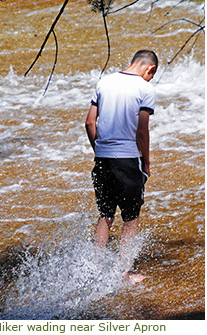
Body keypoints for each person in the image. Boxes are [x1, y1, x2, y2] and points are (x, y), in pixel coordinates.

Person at [85, 50, 158, 283]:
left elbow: (89, 122)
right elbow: (141, 130)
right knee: (131, 218)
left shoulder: (104, 82)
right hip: (128, 160)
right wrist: (146, 161)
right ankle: (123, 274)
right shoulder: (145, 89)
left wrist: (100, 151)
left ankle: (95, 269)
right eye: (151, 76)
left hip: (103, 159)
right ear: (150, 69)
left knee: (105, 214)